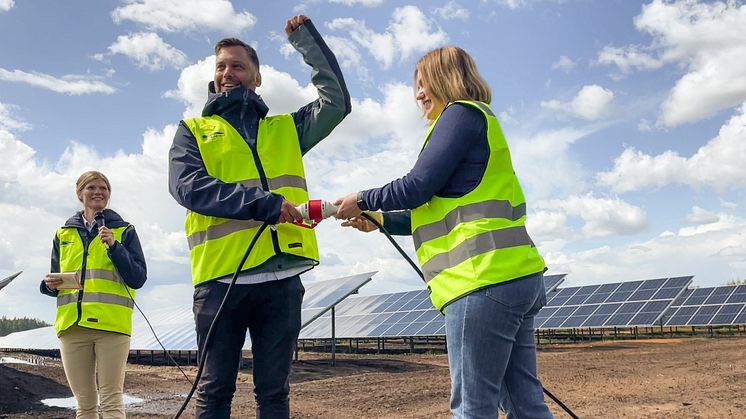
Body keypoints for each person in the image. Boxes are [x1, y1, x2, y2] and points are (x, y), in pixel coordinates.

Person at [335, 46, 553, 419]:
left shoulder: (459, 115)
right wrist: (381, 219)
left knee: (472, 407)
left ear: (445, 79)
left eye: (424, 84)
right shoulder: (477, 122)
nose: (418, 94)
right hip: (515, 277)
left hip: (480, 281)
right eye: (416, 86)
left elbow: (416, 186)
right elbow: (434, 207)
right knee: (524, 402)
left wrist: (362, 198)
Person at [168, 15, 350, 419]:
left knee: (274, 393)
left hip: (282, 282)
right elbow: (188, 187)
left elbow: (337, 103)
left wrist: (306, 41)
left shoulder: (286, 129)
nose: (227, 73)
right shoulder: (193, 130)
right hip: (220, 284)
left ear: (257, 76)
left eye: (237, 65)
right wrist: (263, 203)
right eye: (221, 67)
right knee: (215, 392)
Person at [40, 170, 147, 419]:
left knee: (111, 399)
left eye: (103, 188)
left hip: (111, 326)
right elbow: (57, 278)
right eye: (91, 188)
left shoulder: (124, 230)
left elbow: (138, 278)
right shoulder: (63, 233)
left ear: (109, 195)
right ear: (80, 193)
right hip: (72, 327)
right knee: (84, 404)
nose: (98, 192)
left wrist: (115, 246)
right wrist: (48, 285)